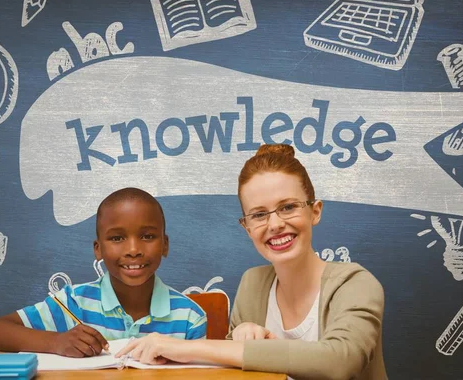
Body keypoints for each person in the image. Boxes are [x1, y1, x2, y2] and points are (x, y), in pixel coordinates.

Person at [116, 145, 387, 380]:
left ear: (314, 212)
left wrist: (183, 348)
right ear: (246, 227)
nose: (276, 224)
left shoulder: (356, 284)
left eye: (288, 207)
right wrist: (240, 335)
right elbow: (234, 366)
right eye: (259, 215)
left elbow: (339, 362)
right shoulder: (253, 284)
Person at [0, 187, 207, 357]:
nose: (133, 250)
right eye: (117, 238)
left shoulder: (189, 317)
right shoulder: (72, 303)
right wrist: (56, 342)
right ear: (98, 249)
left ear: (165, 245)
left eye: (147, 236)